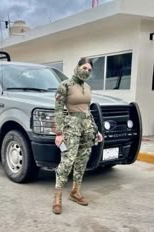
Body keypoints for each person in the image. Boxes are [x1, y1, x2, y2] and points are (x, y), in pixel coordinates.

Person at [52, 57, 103, 214]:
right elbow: (58, 110)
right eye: (84, 68)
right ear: (78, 66)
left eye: (89, 70)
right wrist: (59, 133)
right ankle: (57, 197)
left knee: (82, 161)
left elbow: (87, 110)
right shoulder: (65, 86)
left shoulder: (88, 87)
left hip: (86, 128)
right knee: (67, 162)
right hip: (71, 128)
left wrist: (96, 130)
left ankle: (75, 192)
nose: (86, 71)